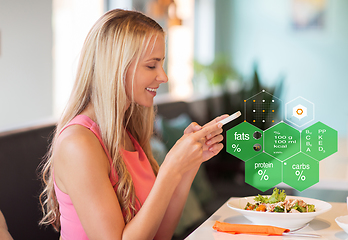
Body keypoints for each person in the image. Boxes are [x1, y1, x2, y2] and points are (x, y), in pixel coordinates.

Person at [39, 9, 227, 240]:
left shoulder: (126, 133)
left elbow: (160, 234)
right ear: (116, 67)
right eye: (151, 65)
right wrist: (170, 167)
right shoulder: (78, 143)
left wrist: (188, 166)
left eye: (162, 64)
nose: (163, 76)